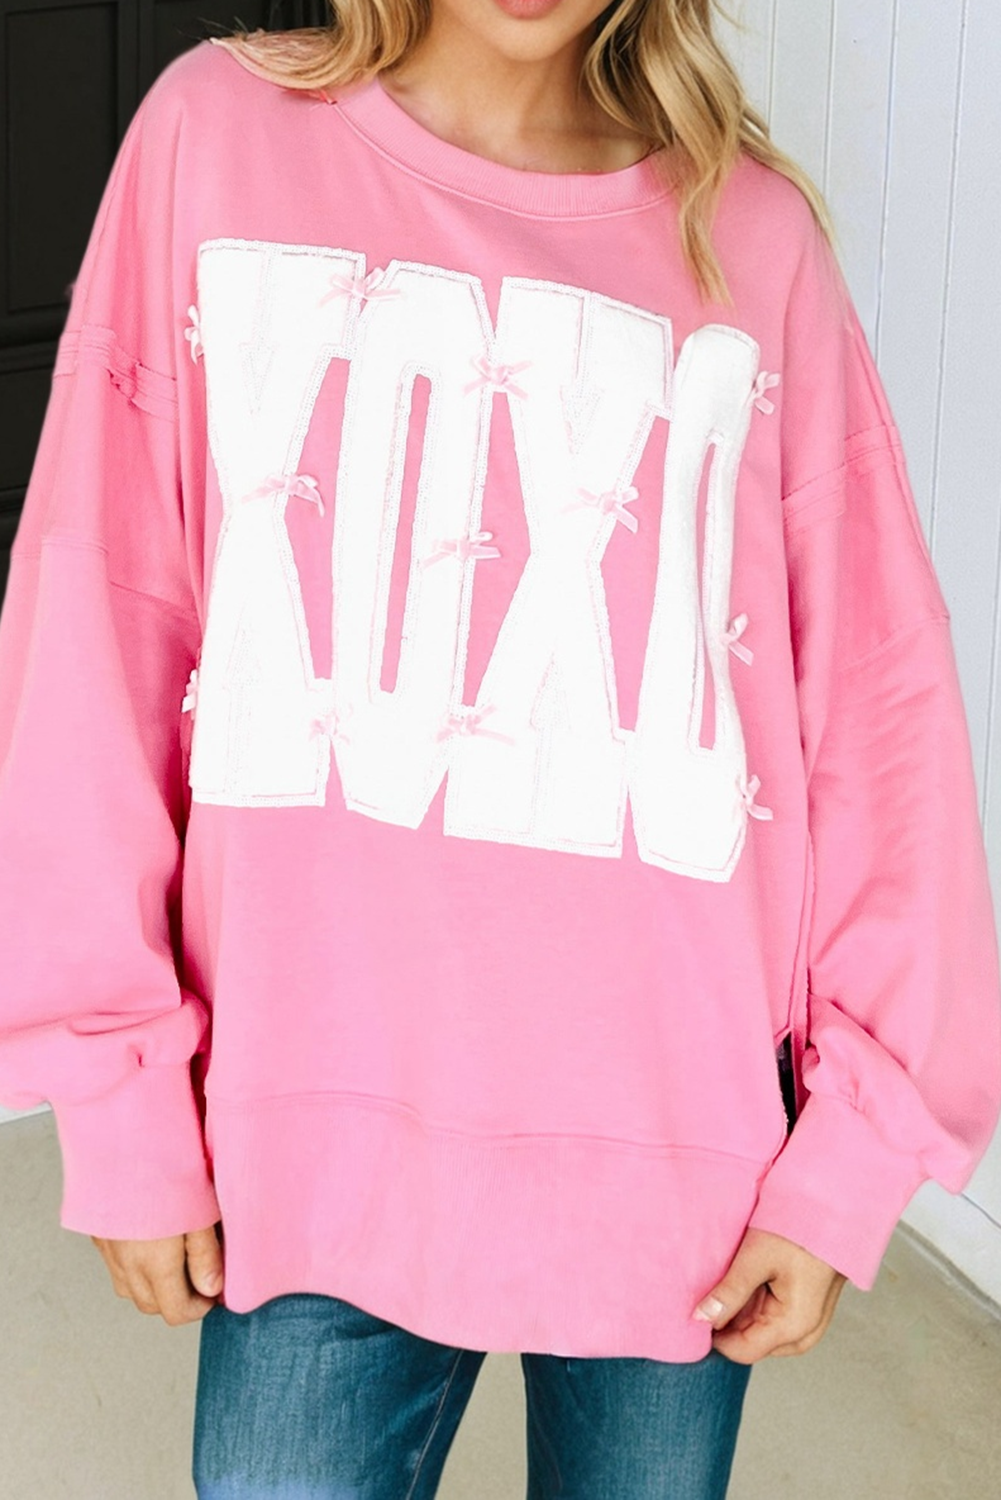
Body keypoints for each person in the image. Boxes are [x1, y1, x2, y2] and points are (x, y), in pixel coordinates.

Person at [0, 0, 999, 1495]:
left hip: (676, 1164)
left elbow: (878, 709)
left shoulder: (755, 238)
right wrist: (117, 1093)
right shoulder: (215, 139)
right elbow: (100, 620)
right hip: (315, 1141)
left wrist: (852, 1156)